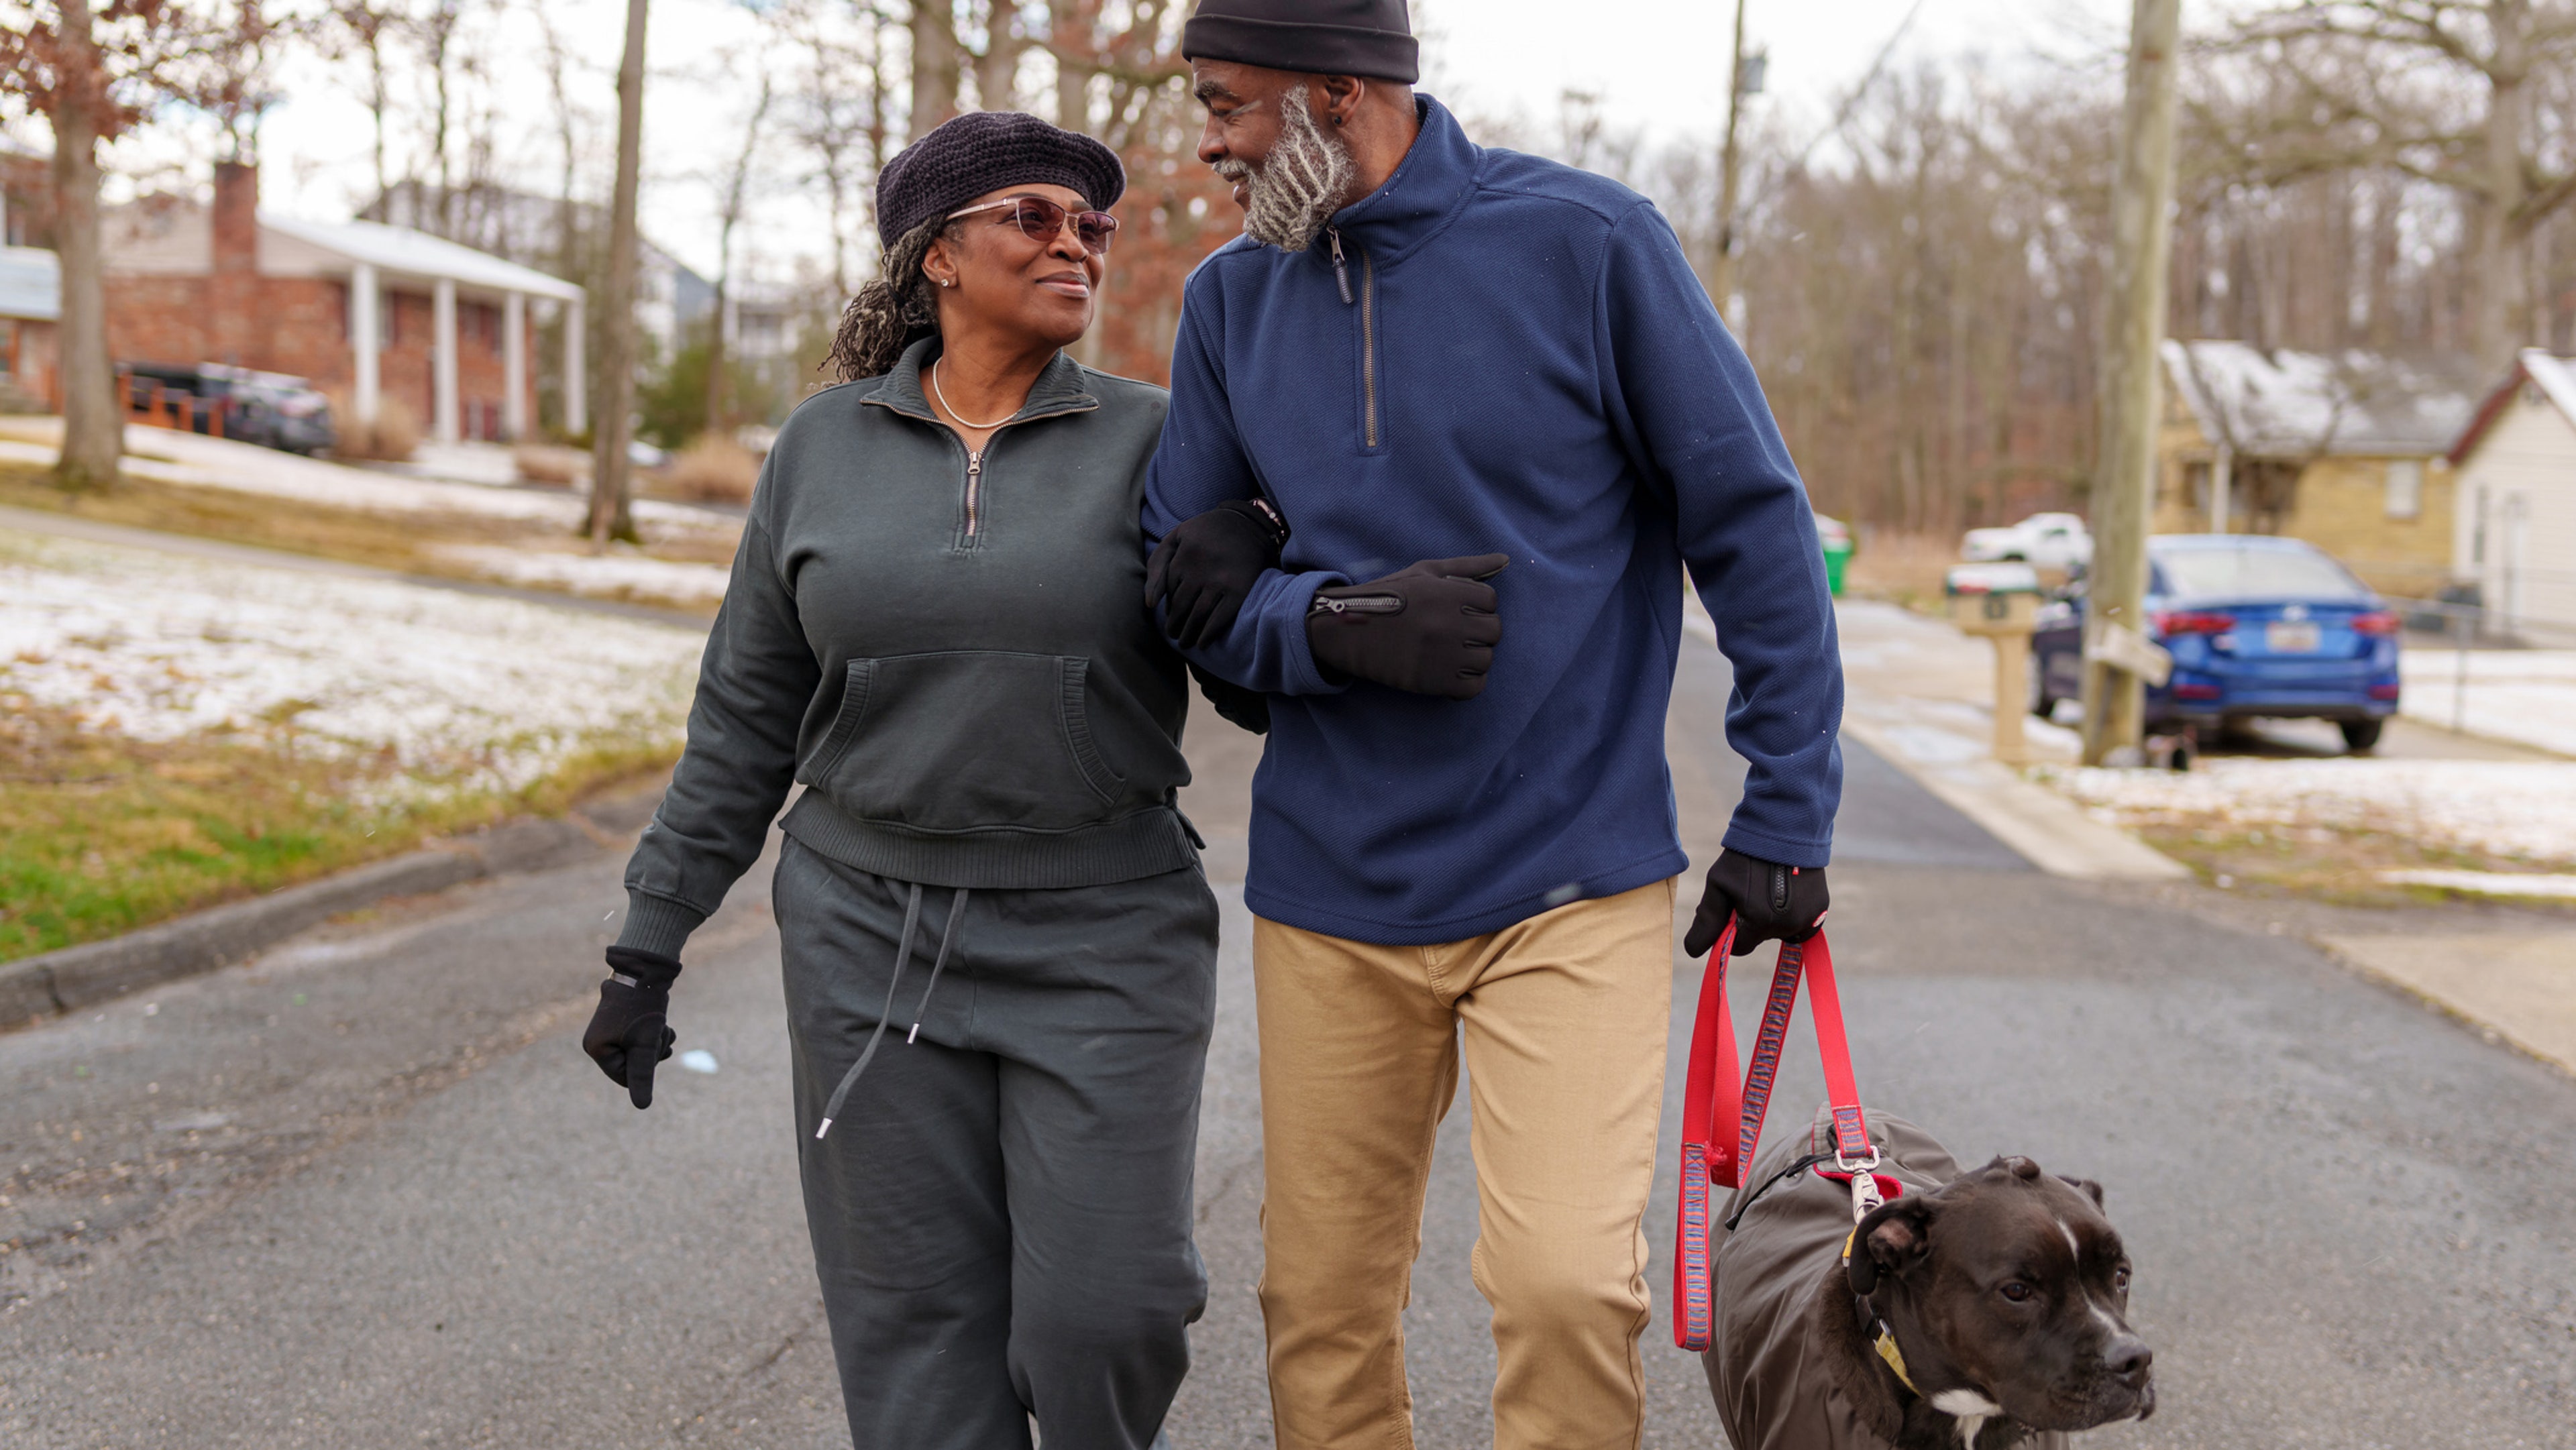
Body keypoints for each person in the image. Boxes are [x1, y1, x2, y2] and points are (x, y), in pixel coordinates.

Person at [1140, 3, 1843, 1447]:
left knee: (1569, 1288)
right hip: (1330, 892)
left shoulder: (1590, 247)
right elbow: (1188, 586)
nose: (1204, 141)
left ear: (1340, 93)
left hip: (1568, 880)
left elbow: (1753, 523)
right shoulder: (1227, 304)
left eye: (1229, 103)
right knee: (1321, 1313)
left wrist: (1787, 803)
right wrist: (1331, 626)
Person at [581, 111, 1221, 1450]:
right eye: (1036, 219)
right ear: (937, 254)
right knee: (915, 1330)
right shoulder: (822, 448)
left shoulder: (1159, 439)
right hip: (870, 933)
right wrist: (650, 939)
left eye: (1091, 225)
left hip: (1106, 929)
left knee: (1104, 1313)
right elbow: (748, 712)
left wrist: (1312, 609)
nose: (1077, 246)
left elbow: (1255, 667)